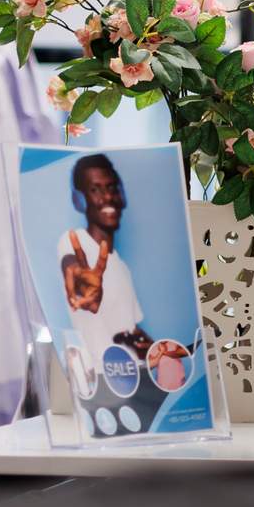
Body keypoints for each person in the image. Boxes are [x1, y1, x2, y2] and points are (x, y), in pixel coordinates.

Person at [59, 154, 159, 368]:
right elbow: (72, 265)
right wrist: (82, 282)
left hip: (135, 382)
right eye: (95, 189)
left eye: (112, 188)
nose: (108, 197)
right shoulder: (73, 241)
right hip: (102, 383)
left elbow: (129, 331)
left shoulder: (120, 266)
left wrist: (163, 350)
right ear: (79, 199)